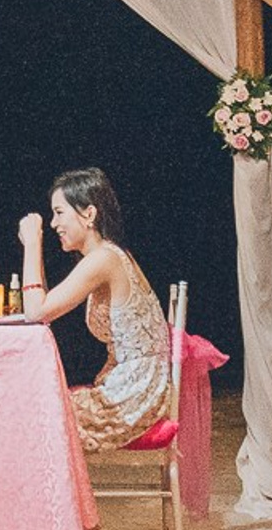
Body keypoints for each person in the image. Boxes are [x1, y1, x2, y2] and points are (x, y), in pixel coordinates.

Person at [16, 165, 173, 451]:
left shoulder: (104, 259)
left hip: (134, 395)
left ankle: (51, 495)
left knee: (27, 415)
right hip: (134, 387)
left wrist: (32, 243)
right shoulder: (107, 256)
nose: (53, 224)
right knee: (29, 408)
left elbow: (36, 312)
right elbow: (43, 306)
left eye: (59, 213)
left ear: (89, 214)